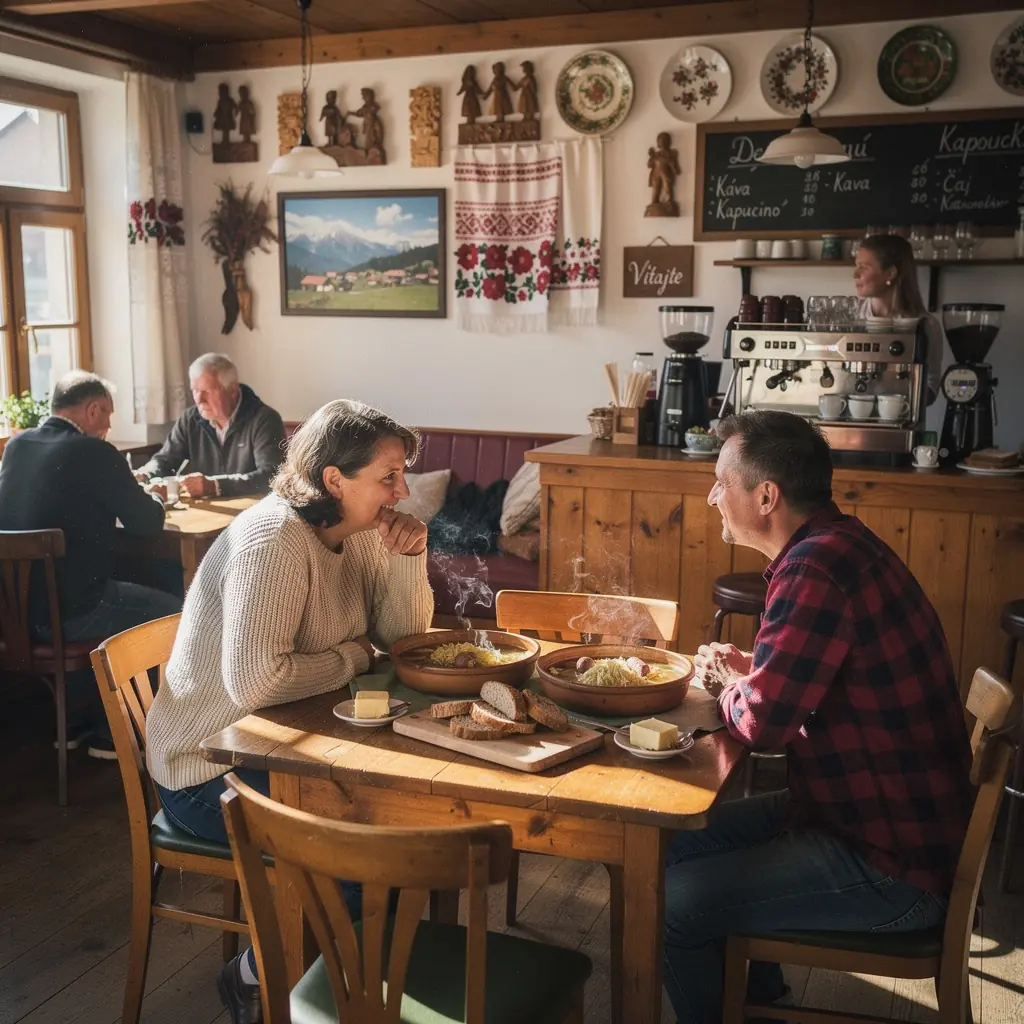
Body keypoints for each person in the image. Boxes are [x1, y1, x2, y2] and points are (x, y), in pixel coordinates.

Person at [662, 410, 974, 1024]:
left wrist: (730, 683)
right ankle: (760, 1003)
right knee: (672, 843)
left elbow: (764, 726)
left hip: (891, 866)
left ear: (767, 495)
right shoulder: (842, 545)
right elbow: (824, 680)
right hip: (871, 820)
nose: (711, 496)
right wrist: (758, 669)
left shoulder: (813, 569)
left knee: (668, 903)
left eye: (722, 482)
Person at [145, 399, 434, 1024]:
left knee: (410, 829)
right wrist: (356, 655)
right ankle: (263, 979)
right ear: (334, 480)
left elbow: (403, 639)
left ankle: (351, 986)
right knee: (368, 858)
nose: (403, 490)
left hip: (289, 743)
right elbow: (255, 681)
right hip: (204, 768)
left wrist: (411, 558)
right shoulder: (272, 538)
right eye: (389, 477)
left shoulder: (354, 534)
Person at [0, 371, 182, 758]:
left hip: (16, 618)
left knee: (99, 596)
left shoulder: (18, 445)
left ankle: (74, 724)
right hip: (72, 615)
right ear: (92, 408)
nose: (111, 425)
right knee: (173, 613)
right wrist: (156, 497)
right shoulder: (93, 452)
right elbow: (146, 522)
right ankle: (115, 732)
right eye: (108, 415)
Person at [135, 353, 286, 499]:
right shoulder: (190, 419)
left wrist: (216, 486)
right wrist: (147, 473)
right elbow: (166, 459)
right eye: (195, 390)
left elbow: (271, 476)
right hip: (207, 512)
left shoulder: (265, 419)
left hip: (252, 513)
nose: (199, 400)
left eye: (207, 391)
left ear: (232, 390)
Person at [854, 234, 944, 403]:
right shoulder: (850, 317)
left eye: (864, 267)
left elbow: (931, 391)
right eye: (856, 266)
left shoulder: (926, 325)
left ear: (890, 273)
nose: (855, 274)